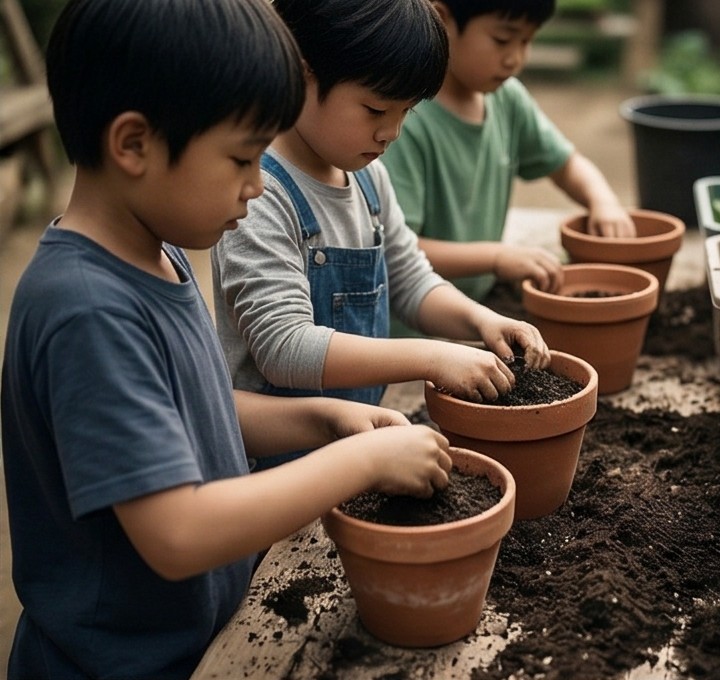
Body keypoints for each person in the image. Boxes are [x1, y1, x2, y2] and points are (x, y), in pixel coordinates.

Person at [0, 1, 453, 678]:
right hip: (121, 664)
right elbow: (178, 533)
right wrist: (361, 463)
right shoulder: (89, 312)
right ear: (134, 145)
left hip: (195, 640)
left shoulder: (156, 254)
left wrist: (325, 420)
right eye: (243, 157)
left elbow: (199, 409)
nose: (257, 185)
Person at [210, 0, 550, 432]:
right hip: (281, 460)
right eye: (375, 110)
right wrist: (432, 356)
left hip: (359, 442)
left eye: (406, 111)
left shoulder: (369, 178)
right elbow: (284, 347)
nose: (392, 132)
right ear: (300, 73)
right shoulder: (258, 194)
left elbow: (411, 281)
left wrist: (482, 321)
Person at [380, 0, 637, 311]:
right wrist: (496, 257)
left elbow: (566, 163)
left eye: (526, 41)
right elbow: (396, 250)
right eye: (502, 40)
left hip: (478, 302)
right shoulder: (406, 120)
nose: (515, 58)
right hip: (417, 318)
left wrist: (604, 202)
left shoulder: (507, 99)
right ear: (442, 19)